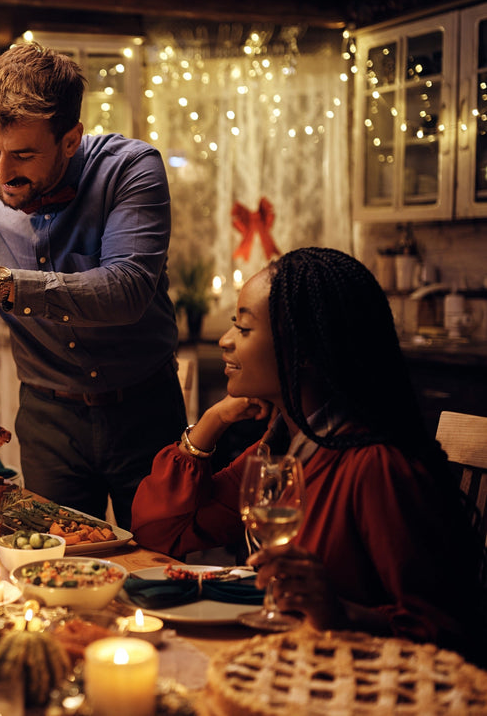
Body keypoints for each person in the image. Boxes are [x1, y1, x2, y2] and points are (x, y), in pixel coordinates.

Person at [0, 42, 186, 528]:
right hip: (47, 422)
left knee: (162, 558)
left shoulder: (130, 170)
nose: (1, 174)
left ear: (71, 139)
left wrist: (6, 284)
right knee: (50, 562)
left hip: (145, 412)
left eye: (22, 155)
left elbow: (127, 290)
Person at [131, 246, 485, 661]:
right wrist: (212, 421)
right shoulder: (282, 453)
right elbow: (159, 532)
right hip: (285, 663)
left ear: (306, 354)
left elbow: (448, 635)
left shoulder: (375, 466)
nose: (225, 341)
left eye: (244, 330)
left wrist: (340, 612)